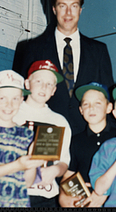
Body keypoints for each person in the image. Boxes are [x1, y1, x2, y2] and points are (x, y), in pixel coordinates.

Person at [12, 0, 114, 136]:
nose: (68, 13)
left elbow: (107, 96)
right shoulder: (32, 48)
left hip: (88, 136)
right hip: (45, 134)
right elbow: (20, 95)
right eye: (62, 6)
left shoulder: (98, 50)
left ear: (80, 10)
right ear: (54, 9)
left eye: (73, 6)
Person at [12, 60, 72, 207]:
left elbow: (64, 161)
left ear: (54, 90)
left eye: (49, 84)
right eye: (38, 81)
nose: (44, 87)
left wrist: (56, 169)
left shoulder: (59, 121)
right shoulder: (12, 113)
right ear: (27, 84)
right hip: (13, 191)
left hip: (46, 195)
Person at [0, 70, 45, 207]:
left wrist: (32, 161)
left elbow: (28, 182)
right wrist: (17, 165)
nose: (9, 105)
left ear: (22, 100)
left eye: (15, 98)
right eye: (2, 98)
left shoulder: (27, 135)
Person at [58, 82, 116, 208]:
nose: (91, 108)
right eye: (86, 104)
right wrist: (64, 197)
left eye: (98, 103)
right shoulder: (75, 141)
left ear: (109, 107)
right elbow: (68, 176)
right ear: (81, 110)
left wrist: (103, 194)